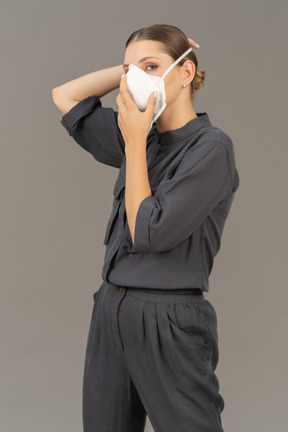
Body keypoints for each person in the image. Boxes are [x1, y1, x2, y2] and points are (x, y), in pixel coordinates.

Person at [52, 24, 239, 432]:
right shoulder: (143, 136)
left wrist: (134, 142)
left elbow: (148, 232)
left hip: (168, 318)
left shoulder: (211, 149)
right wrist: (131, 72)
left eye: (152, 65)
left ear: (185, 72)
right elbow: (64, 97)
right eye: (129, 69)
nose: (136, 77)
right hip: (112, 308)